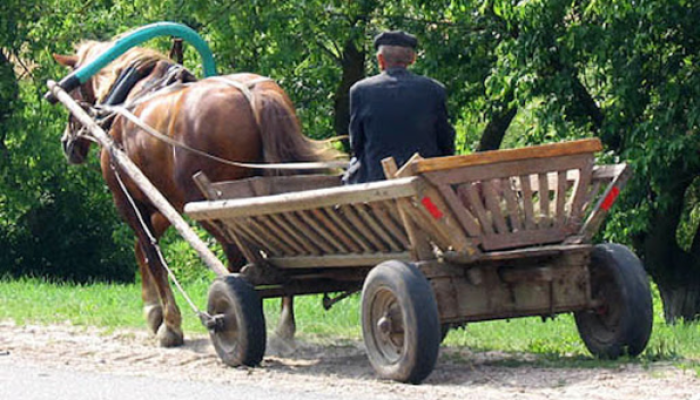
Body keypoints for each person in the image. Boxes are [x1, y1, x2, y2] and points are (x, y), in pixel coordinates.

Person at [344, 30, 455, 184]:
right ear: (412, 59)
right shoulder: (434, 89)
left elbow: (357, 145)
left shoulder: (361, 91)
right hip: (426, 184)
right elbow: (446, 142)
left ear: (380, 59)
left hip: (378, 185)